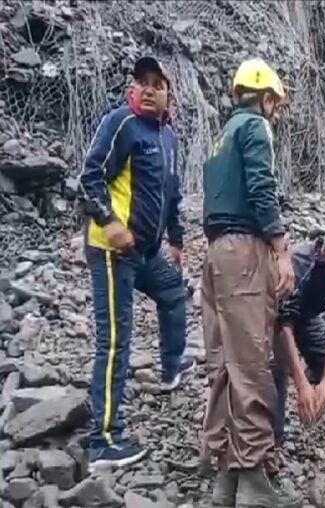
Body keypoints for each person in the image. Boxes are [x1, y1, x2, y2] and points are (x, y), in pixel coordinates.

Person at [79, 56, 194, 472]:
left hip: (143, 250)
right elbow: (89, 177)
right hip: (112, 250)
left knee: (173, 293)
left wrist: (177, 239)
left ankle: (170, 367)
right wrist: (108, 222)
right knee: (114, 341)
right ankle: (104, 441)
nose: (148, 89)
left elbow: (172, 193)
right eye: (142, 82)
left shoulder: (168, 138)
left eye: (157, 83)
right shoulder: (122, 123)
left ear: (169, 94)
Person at [200, 57, 299, 508]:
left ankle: (228, 477)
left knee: (225, 364)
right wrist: (280, 250)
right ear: (263, 96)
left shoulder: (221, 137)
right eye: (275, 102)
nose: (276, 110)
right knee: (252, 361)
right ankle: (255, 479)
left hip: (216, 253)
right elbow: (261, 187)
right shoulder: (255, 128)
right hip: (243, 252)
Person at [271, 226, 325, 475]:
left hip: (308, 317)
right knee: (279, 368)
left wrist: (324, 383)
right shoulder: (301, 263)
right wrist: (301, 383)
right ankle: (273, 445)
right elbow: (284, 323)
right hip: (276, 316)